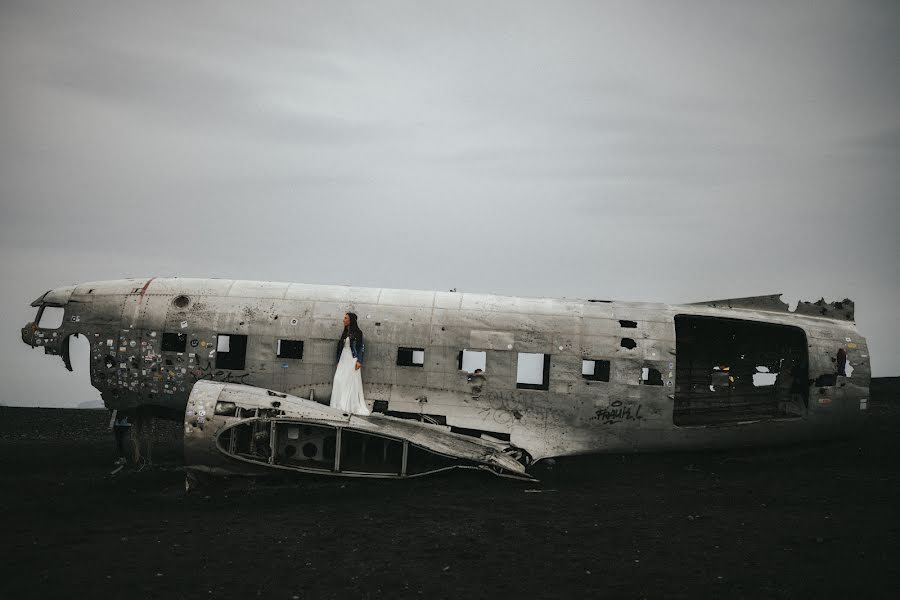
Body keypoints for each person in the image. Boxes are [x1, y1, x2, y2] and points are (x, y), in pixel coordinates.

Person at [330, 312, 370, 415]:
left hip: (351, 359)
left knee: (349, 382)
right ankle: (338, 404)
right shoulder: (344, 332)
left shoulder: (358, 333)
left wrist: (359, 361)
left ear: (350, 320)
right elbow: (340, 348)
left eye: (345, 318)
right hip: (343, 359)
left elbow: (361, 347)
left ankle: (346, 406)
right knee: (339, 380)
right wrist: (338, 360)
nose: (343, 320)